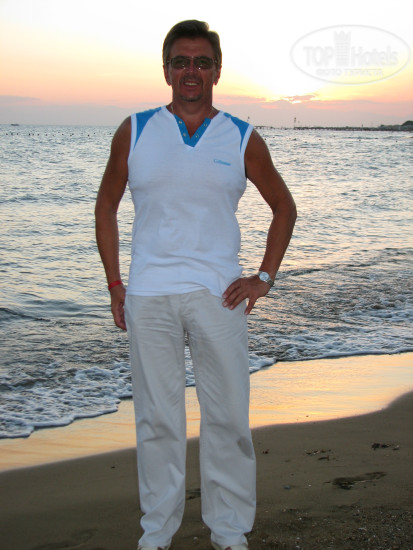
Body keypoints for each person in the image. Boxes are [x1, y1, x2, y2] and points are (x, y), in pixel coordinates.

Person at [95, 20, 296, 550]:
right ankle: (156, 533)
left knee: (227, 418)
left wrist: (263, 278)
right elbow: (106, 205)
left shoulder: (241, 136)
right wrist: (115, 282)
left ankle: (229, 533)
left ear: (216, 71)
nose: (191, 71)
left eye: (202, 62)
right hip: (148, 295)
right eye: (181, 62)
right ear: (166, 70)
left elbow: (284, 206)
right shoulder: (135, 130)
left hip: (219, 296)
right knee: (157, 420)